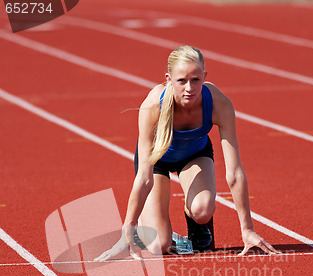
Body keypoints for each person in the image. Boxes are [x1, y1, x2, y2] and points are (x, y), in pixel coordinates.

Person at [95, 45, 278, 261]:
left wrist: (247, 228)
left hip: (195, 155)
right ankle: (165, 236)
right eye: (181, 81)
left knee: (202, 209)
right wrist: (128, 231)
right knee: (158, 245)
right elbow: (144, 178)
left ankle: (198, 229)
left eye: (196, 80)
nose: (189, 88)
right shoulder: (153, 106)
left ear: (204, 77)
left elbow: (235, 173)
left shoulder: (219, 103)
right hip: (158, 160)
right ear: (169, 79)